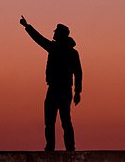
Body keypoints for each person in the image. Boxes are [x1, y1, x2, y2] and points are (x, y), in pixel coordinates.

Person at [19, 15, 82, 151]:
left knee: (59, 121)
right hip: (58, 90)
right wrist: (77, 92)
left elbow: (78, 73)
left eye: (56, 33)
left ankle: (62, 148)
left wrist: (27, 26)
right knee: (54, 121)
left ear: (61, 35)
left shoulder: (60, 50)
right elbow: (78, 74)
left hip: (60, 90)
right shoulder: (69, 52)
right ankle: (59, 148)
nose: (53, 34)